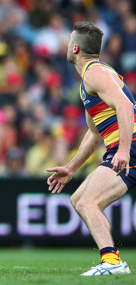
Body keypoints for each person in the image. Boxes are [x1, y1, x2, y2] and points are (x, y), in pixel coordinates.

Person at [47, 21, 134, 276]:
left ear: (75, 48)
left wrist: (125, 151)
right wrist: (71, 168)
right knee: (79, 200)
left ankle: (112, 262)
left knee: (88, 202)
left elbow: (126, 107)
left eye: (68, 40)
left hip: (129, 147)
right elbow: (95, 133)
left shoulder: (94, 73)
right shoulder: (92, 77)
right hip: (120, 147)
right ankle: (113, 260)